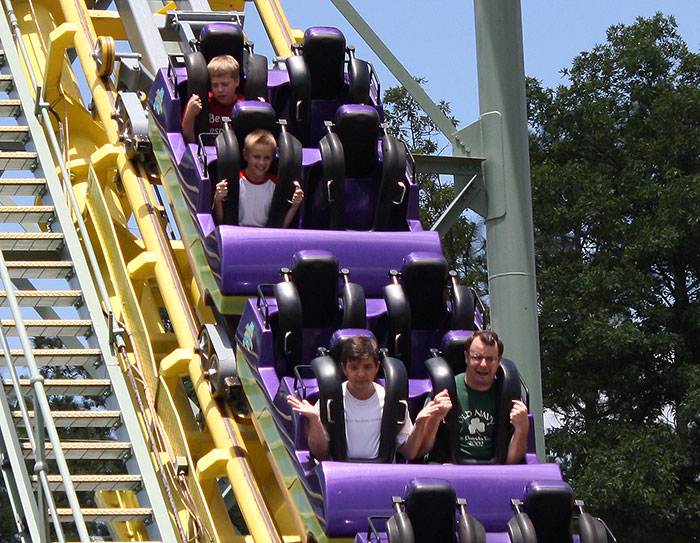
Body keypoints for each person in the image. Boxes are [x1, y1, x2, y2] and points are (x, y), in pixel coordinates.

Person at [287, 335, 449, 461]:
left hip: (380, 476)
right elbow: (320, 454)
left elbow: (409, 452)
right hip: (343, 476)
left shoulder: (392, 401)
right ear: (344, 369)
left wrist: (420, 423)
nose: (361, 374)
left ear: (377, 367)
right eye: (354, 367)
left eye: (367, 367)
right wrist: (315, 421)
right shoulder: (331, 401)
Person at [419, 330, 529, 464]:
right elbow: (422, 449)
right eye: (477, 357)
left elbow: (511, 461)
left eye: (490, 359)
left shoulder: (508, 397)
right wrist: (434, 419)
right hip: (447, 470)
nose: (483, 365)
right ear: (466, 357)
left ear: (499, 360)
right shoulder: (444, 391)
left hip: (493, 473)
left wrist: (522, 429)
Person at [212, 129, 304, 227]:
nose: (261, 163)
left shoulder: (276, 185)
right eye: (256, 157)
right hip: (235, 237)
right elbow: (219, 221)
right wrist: (217, 199)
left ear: (273, 158)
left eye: (267, 158)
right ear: (245, 155)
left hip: (264, 238)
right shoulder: (233, 181)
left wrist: (295, 204)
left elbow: (281, 226)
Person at [181, 54, 245, 143]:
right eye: (215, 85)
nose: (220, 90)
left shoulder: (243, 105)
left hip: (234, 153)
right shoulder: (203, 101)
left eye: (225, 84)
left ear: (237, 81)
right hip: (205, 152)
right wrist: (189, 114)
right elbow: (188, 140)